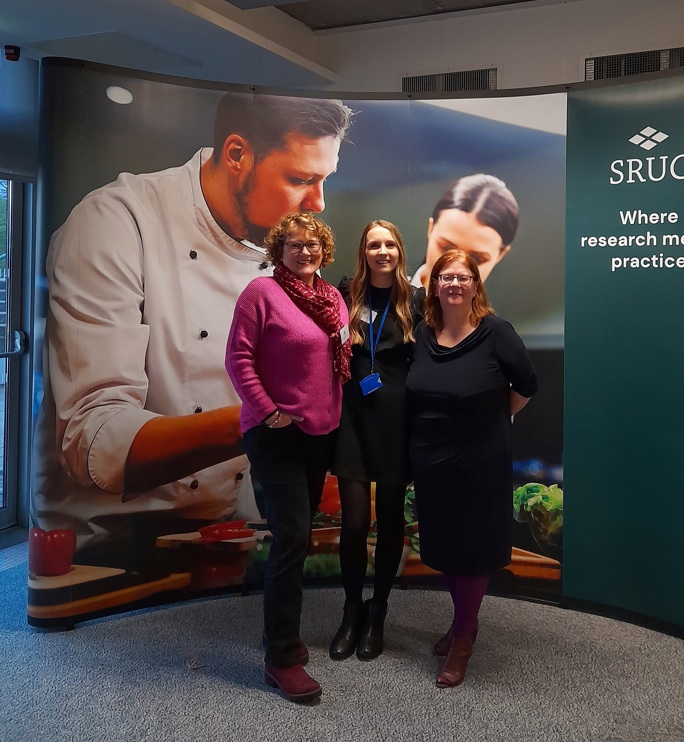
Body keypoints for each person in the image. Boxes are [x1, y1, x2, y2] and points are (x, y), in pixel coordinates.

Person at [34, 92, 353, 560]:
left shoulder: (284, 251)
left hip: (232, 534)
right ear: (237, 154)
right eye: (300, 178)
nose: (318, 203)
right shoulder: (117, 222)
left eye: (324, 180)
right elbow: (95, 439)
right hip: (108, 548)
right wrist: (274, 416)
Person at [225, 212, 350, 704]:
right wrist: (270, 411)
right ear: (278, 249)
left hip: (319, 435)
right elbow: (239, 359)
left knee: (296, 537)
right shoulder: (261, 294)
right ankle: (280, 658)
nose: (305, 251)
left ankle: (280, 632)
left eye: (314, 244)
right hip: (276, 434)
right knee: (294, 537)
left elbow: (338, 357)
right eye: (295, 244)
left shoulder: (332, 298)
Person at [406, 249, 537, 688]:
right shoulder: (423, 334)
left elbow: (526, 387)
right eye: (446, 277)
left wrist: (495, 419)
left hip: (481, 459)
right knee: (444, 548)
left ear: (476, 285)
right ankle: (464, 621)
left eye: (464, 277)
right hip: (431, 459)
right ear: (434, 284)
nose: (454, 284)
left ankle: (463, 638)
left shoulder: (497, 333)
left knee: (474, 549)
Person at [329, 220, 425, 662]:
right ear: (363, 251)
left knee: (390, 523)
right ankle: (351, 610)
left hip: (397, 423)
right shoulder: (346, 294)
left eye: (389, 244)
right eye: (373, 244)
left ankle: (378, 610)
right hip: (352, 419)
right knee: (352, 523)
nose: (382, 251)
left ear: (400, 250)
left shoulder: (417, 300)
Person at [411, 173, 519, 289]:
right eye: (447, 249)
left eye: (476, 259)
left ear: (500, 255)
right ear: (431, 229)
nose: (455, 271)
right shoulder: (390, 296)